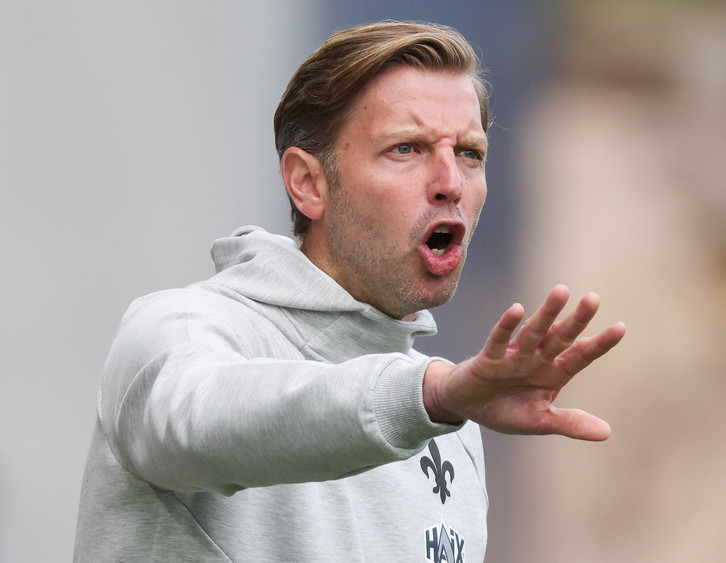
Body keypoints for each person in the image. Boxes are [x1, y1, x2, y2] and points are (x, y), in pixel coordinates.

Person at [74, 21, 625, 562]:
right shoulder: (180, 331)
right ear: (309, 184)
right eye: (406, 149)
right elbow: (196, 425)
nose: (451, 183)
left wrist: (434, 399)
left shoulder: (453, 429)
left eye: (469, 153)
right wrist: (428, 395)